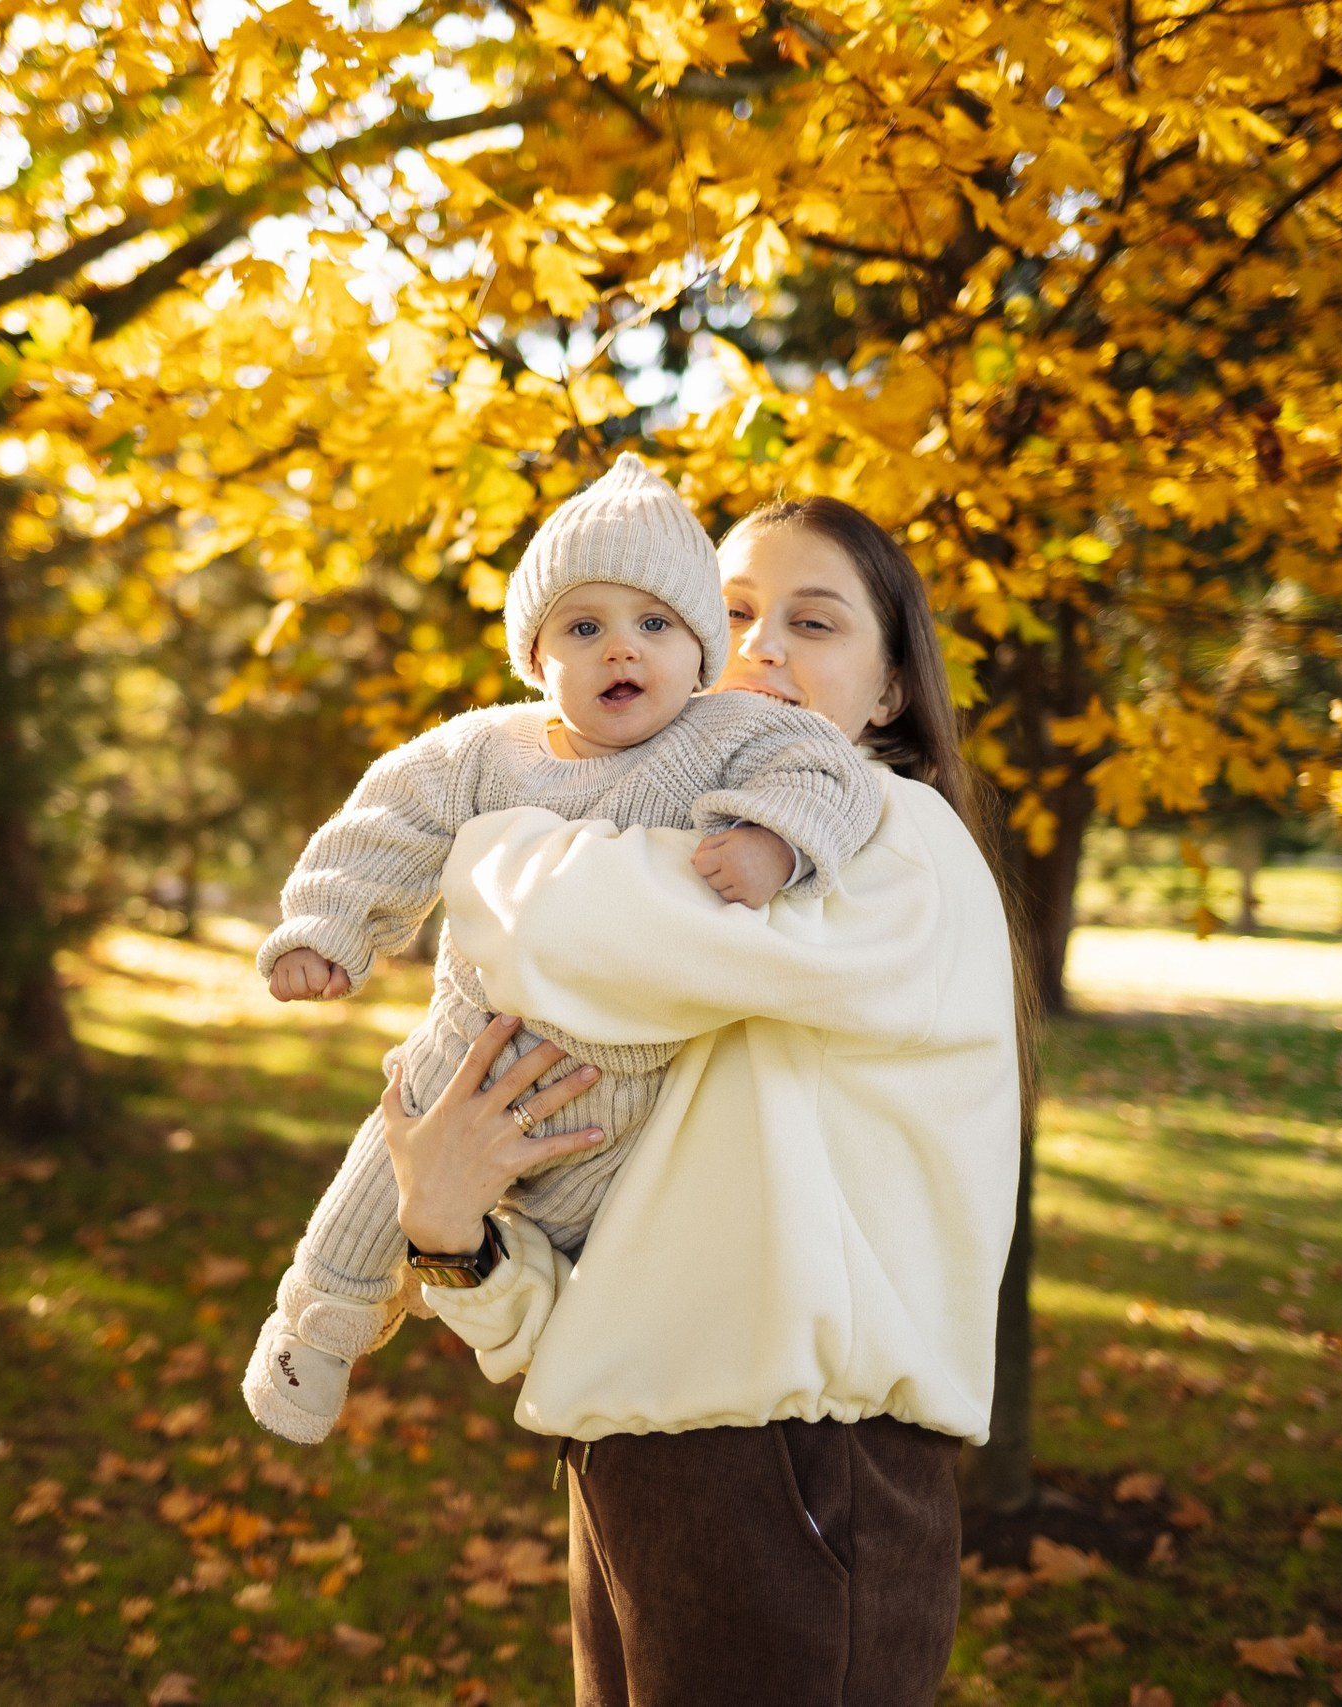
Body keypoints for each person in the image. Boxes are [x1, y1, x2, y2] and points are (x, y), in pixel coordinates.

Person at [386, 495, 1026, 1706]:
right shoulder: (695, 895)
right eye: (728, 614)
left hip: (795, 1470)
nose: (760, 648)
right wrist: (449, 1235)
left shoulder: (888, 838)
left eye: (813, 622)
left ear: (890, 691)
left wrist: (475, 823)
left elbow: (551, 926)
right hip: (630, 1468)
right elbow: (604, 1259)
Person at [241, 457, 886, 1446]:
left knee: (607, 1256)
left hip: (629, 1095)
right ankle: (313, 1336)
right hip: (468, 1047)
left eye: (655, 624)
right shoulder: (486, 751)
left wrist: (775, 839)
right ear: (536, 659)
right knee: (371, 1194)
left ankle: (526, 1326)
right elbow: (386, 820)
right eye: (583, 628)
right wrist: (327, 928)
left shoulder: (731, 730)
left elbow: (827, 771)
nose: (621, 647)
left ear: (701, 654)